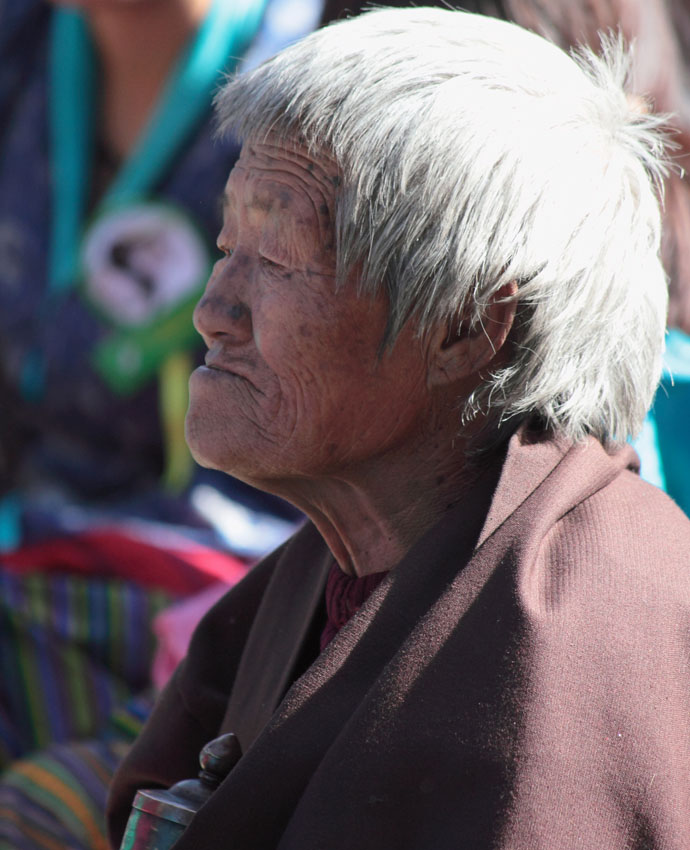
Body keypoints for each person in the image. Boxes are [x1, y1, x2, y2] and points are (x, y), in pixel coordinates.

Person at [107, 8, 690, 848]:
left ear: (464, 328)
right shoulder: (339, 566)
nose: (212, 310)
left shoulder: (563, 648)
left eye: (276, 262)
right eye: (225, 246)